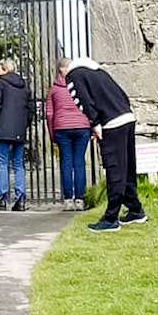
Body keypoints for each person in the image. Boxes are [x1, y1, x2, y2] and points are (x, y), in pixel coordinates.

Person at [63, 57, 147, 232]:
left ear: (62, 70)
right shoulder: (98, 72)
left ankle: (111, 218)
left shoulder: (73, 76)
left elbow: (83, 101)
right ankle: (135, 209)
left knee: (115, 170)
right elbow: (122, 93)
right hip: (126, 117)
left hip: (111, 123)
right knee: (127, 168)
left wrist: (95, 123)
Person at [45, 58, 92, 211]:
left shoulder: (53, 89)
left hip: (61, 128)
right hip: (82, 127)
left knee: (66, 163)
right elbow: (89, 106)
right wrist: (91, 125)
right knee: (79, 162)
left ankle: (67, 200)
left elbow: (49, 114)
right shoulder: (81, 86)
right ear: (65, 69)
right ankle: (80, 199)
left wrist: (52, 134)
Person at [0, 58, 31, 212]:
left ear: (4, 69)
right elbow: (30, 108)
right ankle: (20, 199)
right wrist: (24, 124)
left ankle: (2, 198)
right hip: (19, 128)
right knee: (18, 163)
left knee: (2, 162)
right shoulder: (24, 85)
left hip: (3, 127)